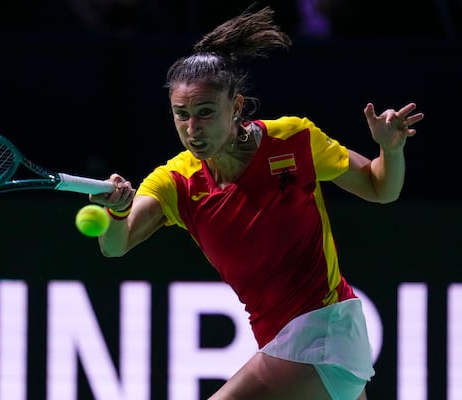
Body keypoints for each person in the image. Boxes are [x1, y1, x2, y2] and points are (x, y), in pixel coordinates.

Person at [89, 3, 424, 399]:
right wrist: (117, 211)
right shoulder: (175, 182)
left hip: (326, 332)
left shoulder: (294, 139)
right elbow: (115, 245)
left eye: (205, 112)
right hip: (284, 344)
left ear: (237, 107)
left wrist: (391, 150)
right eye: (181, 115)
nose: (192, 128)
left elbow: (379, 188)